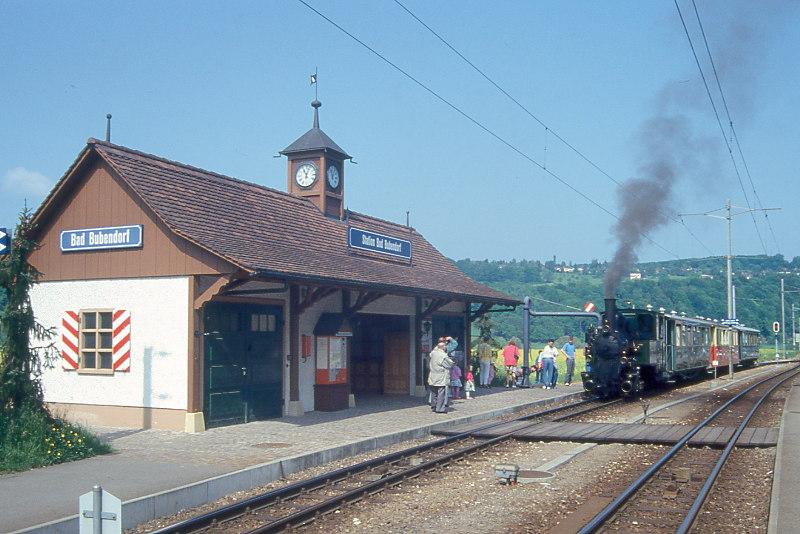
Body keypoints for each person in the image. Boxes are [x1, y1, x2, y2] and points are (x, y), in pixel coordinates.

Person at [428, 338, 454, 413]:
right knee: (441, 392)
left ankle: (434, 406)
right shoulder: (442, 355)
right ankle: (440, 409)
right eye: (445, 346)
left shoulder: (433, 353)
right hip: (441, 376)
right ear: (443, 347)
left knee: (433, 392)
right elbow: (449, 364)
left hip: (432, 375)